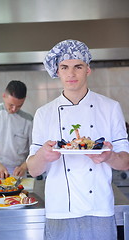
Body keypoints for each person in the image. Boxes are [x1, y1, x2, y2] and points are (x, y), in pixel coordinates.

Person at [26, 40, 129, 240]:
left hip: (99, 208)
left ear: (88, 70)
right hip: (60, 210)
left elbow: (125, 162)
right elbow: (33, 169)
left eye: (78, 67)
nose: (71, 74)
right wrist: (43, 156)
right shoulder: (43, 113)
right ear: (58, 71)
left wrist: (108, 157)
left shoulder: (110, 108)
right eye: (64, 67)